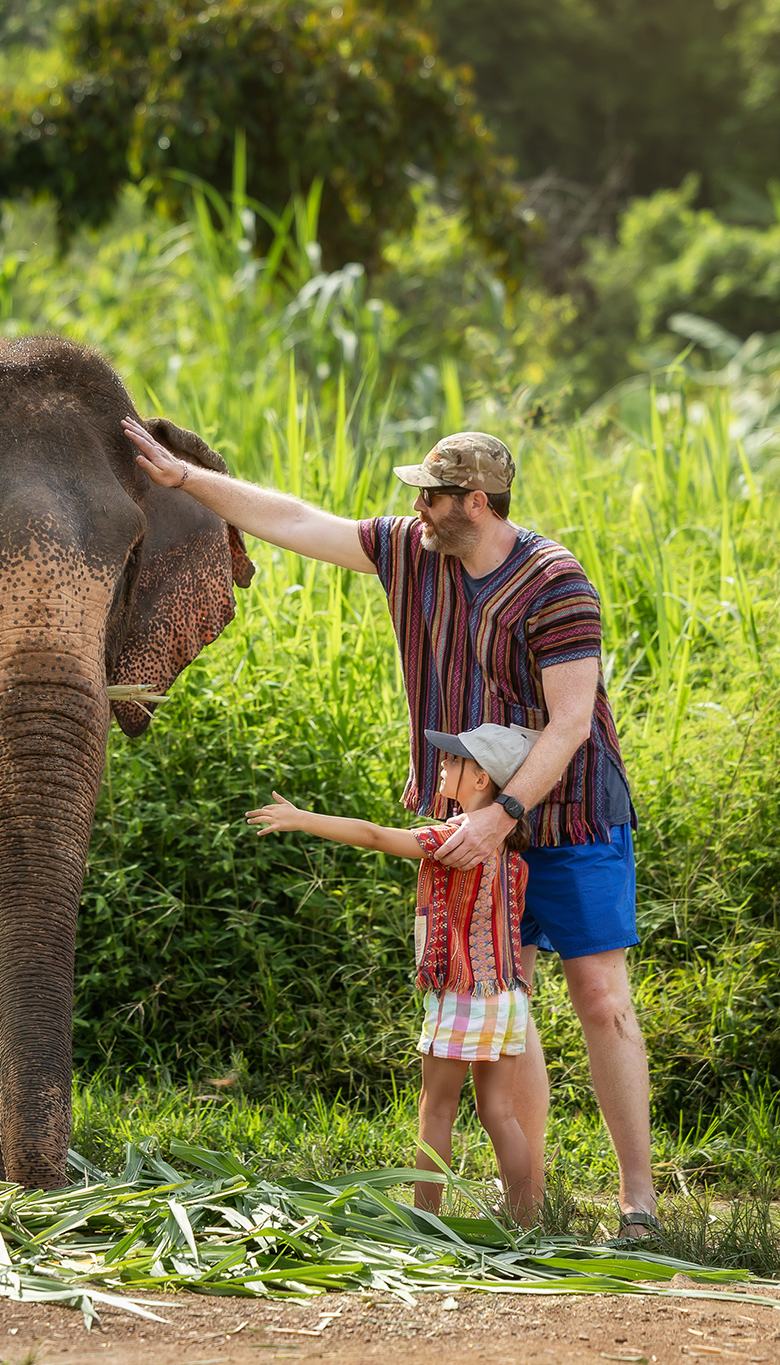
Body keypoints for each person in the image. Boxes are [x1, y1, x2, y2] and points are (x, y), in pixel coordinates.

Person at [124, 417, 658, 1241]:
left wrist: (502, 815)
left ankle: (639, 1204)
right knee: (506, 999)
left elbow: (572, 722)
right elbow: (298, 521)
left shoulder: (556, 582)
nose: (417, 505)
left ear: (475, 502)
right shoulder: (413, 550)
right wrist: (185, 480)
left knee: (601, 999)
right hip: (475, 822)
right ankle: (534, 1205)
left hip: (568, 810)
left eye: (432, 494)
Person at [246, 722, 540, 1222]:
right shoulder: (511, 850)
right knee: (500, 1114)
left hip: (462, 993)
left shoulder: (457, 836)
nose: (443, 765)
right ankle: (528, 1224)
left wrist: (303, 818)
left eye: (455, 760)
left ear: (481, 780)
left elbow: (374, 835)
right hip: (508, 995)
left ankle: (424, 1221)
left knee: (437, 1108)